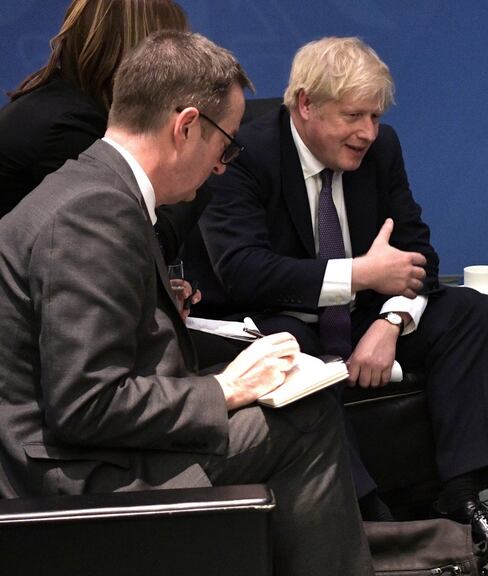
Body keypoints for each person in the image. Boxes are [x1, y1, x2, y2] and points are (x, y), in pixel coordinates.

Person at [0, 31, 372, 576]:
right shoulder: (94, 215)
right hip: (71, 477)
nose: (223, 166)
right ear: (187, 126)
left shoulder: (88, 185)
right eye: (226, 145)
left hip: (65, 451)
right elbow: (86, 405)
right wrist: (226, 389)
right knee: (305, 416)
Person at [189, 36, 488, 568]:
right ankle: (365, 519)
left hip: (364, 315)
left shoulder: (382, 148)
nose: (367, 133)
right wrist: (360, 275)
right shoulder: (246, 156)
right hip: (277, 321)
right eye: (354, 115)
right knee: (291, 347)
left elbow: (417, 249)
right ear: (305, 104)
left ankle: (463, 502)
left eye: (375, 116)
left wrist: (392, 321)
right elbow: (243, 269)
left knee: (466, 312)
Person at [0, 0, 202, 262]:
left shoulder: (62, 107)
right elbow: (142, 246)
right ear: (148, 60)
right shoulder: (70, 130)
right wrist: (198, 161)